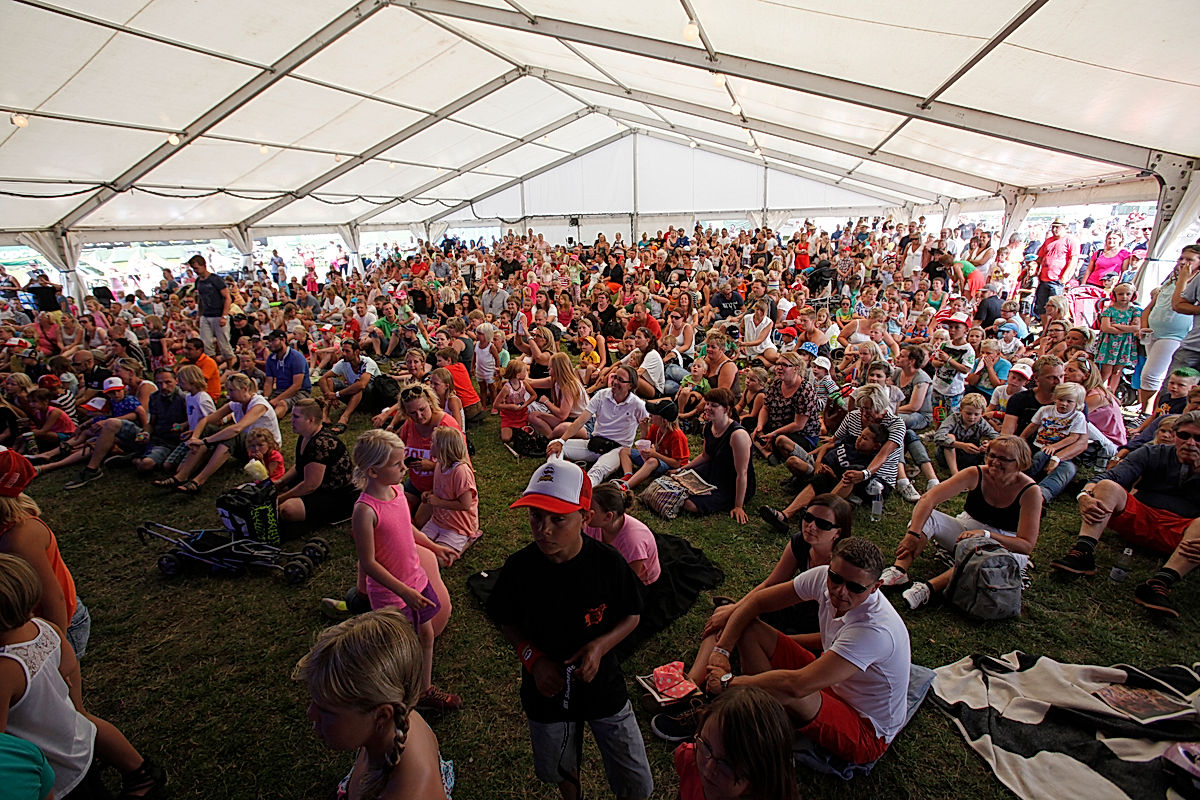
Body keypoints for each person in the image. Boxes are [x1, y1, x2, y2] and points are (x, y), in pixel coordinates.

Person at [488, 459, 652, 800]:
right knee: (559, 765)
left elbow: (632, 615)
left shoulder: (608, 564)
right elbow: (505, 619)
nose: (543, 530)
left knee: (636, 779)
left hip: (602, 682)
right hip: (546, 689)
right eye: (535, 516)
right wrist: (533, 659)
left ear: (585, 518)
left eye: (558, 519)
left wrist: (600, 647)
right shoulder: (520, 569)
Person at [668, 537, 910, 768]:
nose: (840, 591)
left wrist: (729, 683)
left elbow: (797, 685)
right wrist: (722, 650)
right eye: (835, 578)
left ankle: (735, 713)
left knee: (788, 690)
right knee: (750, 627)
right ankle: (752, 712)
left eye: (855, 587)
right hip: (831, 684)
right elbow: (757, 603)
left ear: (876, 586)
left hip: (865, 728)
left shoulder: (875, 631)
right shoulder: (822, 578)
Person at [0, 553, 167, 799]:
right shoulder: (43, 627)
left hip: (57, 770)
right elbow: (67, 666)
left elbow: (4, 746)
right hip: (78, 742)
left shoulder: (5, 669)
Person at [1049, 409, 1200, 618]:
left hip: (1182, 533)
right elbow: (1113, 475)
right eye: (1184, 435)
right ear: (1175, 435)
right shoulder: (1152, 453)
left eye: (1198, 438)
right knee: (1107, 486)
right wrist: (1084, 495)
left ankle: (1161, 582)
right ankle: (1083, 552)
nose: (1191, 443)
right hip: (1141, 516)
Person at [348, 430, 460, 711]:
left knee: (426, 635)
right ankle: (397, 695)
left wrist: (434, 548)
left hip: (417, 580)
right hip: (393, 594)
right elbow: (369, 563)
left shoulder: (396, 491)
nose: (404, 469)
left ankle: (424, 690)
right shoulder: (365, 511)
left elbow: (407, 529)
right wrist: (404, 592)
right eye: (397, 465)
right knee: (398, 647)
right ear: (373, 471)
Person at [295, 609, 453, 800]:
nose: (310, 713)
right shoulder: (397, 715)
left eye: (326, 710)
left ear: (381, 716)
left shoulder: (409, 794)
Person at [879, 436, 1042, 599]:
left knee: (980, 555)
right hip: (968, 528)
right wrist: (913, 534)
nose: (995, 462)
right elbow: (928, 499)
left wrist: (986, 535)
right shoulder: (976, 473)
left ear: (1020, 463)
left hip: (1005, 544)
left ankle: (929, 589)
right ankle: (899, 571)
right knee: (927, 519)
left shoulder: (1030, 491)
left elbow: (1026, 545)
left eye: (1004, 459)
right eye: (991, 456)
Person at [154, 372, 281, 494]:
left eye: (232, 391)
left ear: (244, 389)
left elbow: (237, 428)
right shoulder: (236, 404)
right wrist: (195, 437)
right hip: (251, 444)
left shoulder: (259, 404)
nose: (228, 395)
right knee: (208, 428)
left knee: (232, 436)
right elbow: (207, 419)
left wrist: (205, 441)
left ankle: (198, 481)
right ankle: (181, 476)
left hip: (266, 448)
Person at [671, 687, 799, 800]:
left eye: (727, 763)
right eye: (706, 746)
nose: (709, 768)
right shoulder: (689, 759)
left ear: (761, 776)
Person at [546, 365, 648, 488]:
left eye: (620, 380)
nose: (615, 382)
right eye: (614, 377)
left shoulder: (638, 405)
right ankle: (557, 474)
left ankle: (579, 492)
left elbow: (646, 433)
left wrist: (644, 432)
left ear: (630, 385)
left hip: (618, 450)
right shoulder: (602, 395)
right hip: (595, 443)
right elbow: (580, 421)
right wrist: (562, 441)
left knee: (597, 471)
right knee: (554, 445)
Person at [277, 399, 357, 525]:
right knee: (274, 491)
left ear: (311, 420)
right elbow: (300, 466)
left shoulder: (321, 444)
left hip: (334, 494)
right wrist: (279, 483)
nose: (291, 420)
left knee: (287, 509)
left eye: (296, 417)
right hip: (317, 486)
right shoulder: (305, 435)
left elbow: (311, 485)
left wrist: (280, 499)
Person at [682, 388, 755, 523]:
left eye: (714, 405)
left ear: (726, 409)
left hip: (732, 481)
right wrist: (683, 469)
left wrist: (738, 506)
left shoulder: (738, 435)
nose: (708, 408)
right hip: (714, 469)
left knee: (689, 504)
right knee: (677, 482)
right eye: (707, 403)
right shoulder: (709, 426)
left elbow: (742, 473)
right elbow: (705, 456)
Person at [416, 426, 480, 556]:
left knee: (442, 559)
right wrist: (429, 495)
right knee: (417, 550)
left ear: (443, 447)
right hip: (438, 520)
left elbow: (465, 504)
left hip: (459, 526)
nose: (430, 444)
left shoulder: (461, 471)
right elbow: (443, 490)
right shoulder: (440, 465)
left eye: (433, 442)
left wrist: (438, 502)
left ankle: (469, 539)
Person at [584, 484, 660, 586]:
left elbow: (629, 582)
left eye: (591, 510)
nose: (585, 512)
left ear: (608, 516)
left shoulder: (632, 542)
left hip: (639, 582)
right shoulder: (593, 524)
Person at [319, 339, 380, 433]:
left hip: (371, 398)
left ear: (356, 352)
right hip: (354, 397)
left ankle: (344, 418)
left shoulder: (368, 363)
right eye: (343, 350)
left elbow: (362, 385)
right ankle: (325, 414)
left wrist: (337, 395)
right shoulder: (343, 363)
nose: (343, 354)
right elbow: (323, 378)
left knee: (358, 386)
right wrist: (330, 394)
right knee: (329, 380)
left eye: (347, 351)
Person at [187, 254, 234, 365]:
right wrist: (199, 315)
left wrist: (224, 316)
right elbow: (200, 299)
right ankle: (213, 367)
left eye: (197, 268)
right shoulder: (198, 281)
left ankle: (230, 367)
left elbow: (227, 297)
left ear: (204, 265)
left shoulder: (216, 280)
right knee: (206, 344)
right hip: (206, 314)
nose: (196, 271)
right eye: (194, 269)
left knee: (224, 344)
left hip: (218, 314)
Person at [263, 329, 312, 420]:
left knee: (281, 403)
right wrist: (266, 398)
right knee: (260, 403)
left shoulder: (296, 357)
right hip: (280, 389)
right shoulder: (271, 358)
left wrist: (276, 400)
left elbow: (297, 385)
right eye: (269, 341)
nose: (270, 344)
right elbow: (268, 382)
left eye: (273, 340)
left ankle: (268, 420)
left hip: (300, 391)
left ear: (283, 340)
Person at [1033, 219, 1078, 318]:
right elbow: (1040, 257)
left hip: (1057, 279)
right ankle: (1045, 328)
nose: (1054, 229)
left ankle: (1055, 326)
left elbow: (1073, 259)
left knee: (1057, 307)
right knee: (1042, 307)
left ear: (1064, 227)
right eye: (1053, 227)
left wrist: (1065, 276)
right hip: (1044, 278)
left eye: (1057, 227)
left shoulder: (1070, 240)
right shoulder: (1048, 241)